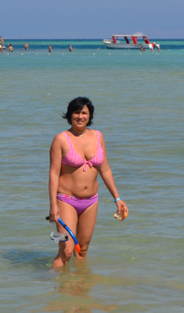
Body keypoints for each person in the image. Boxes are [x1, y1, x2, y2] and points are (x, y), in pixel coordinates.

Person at [49, 97, 128, 268]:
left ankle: (79, 284)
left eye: (84, 113)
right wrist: (53, 206)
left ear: (90, 115)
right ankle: (50, 283)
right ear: (69, 115)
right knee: (66, 251)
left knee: (82, 251)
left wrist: (117, 198)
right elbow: (54, 174)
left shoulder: (98, 136)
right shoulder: (60, 139)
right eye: (76, 112)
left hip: (91, 201)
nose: (80, 116)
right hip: (66, 200)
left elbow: (105, 170)